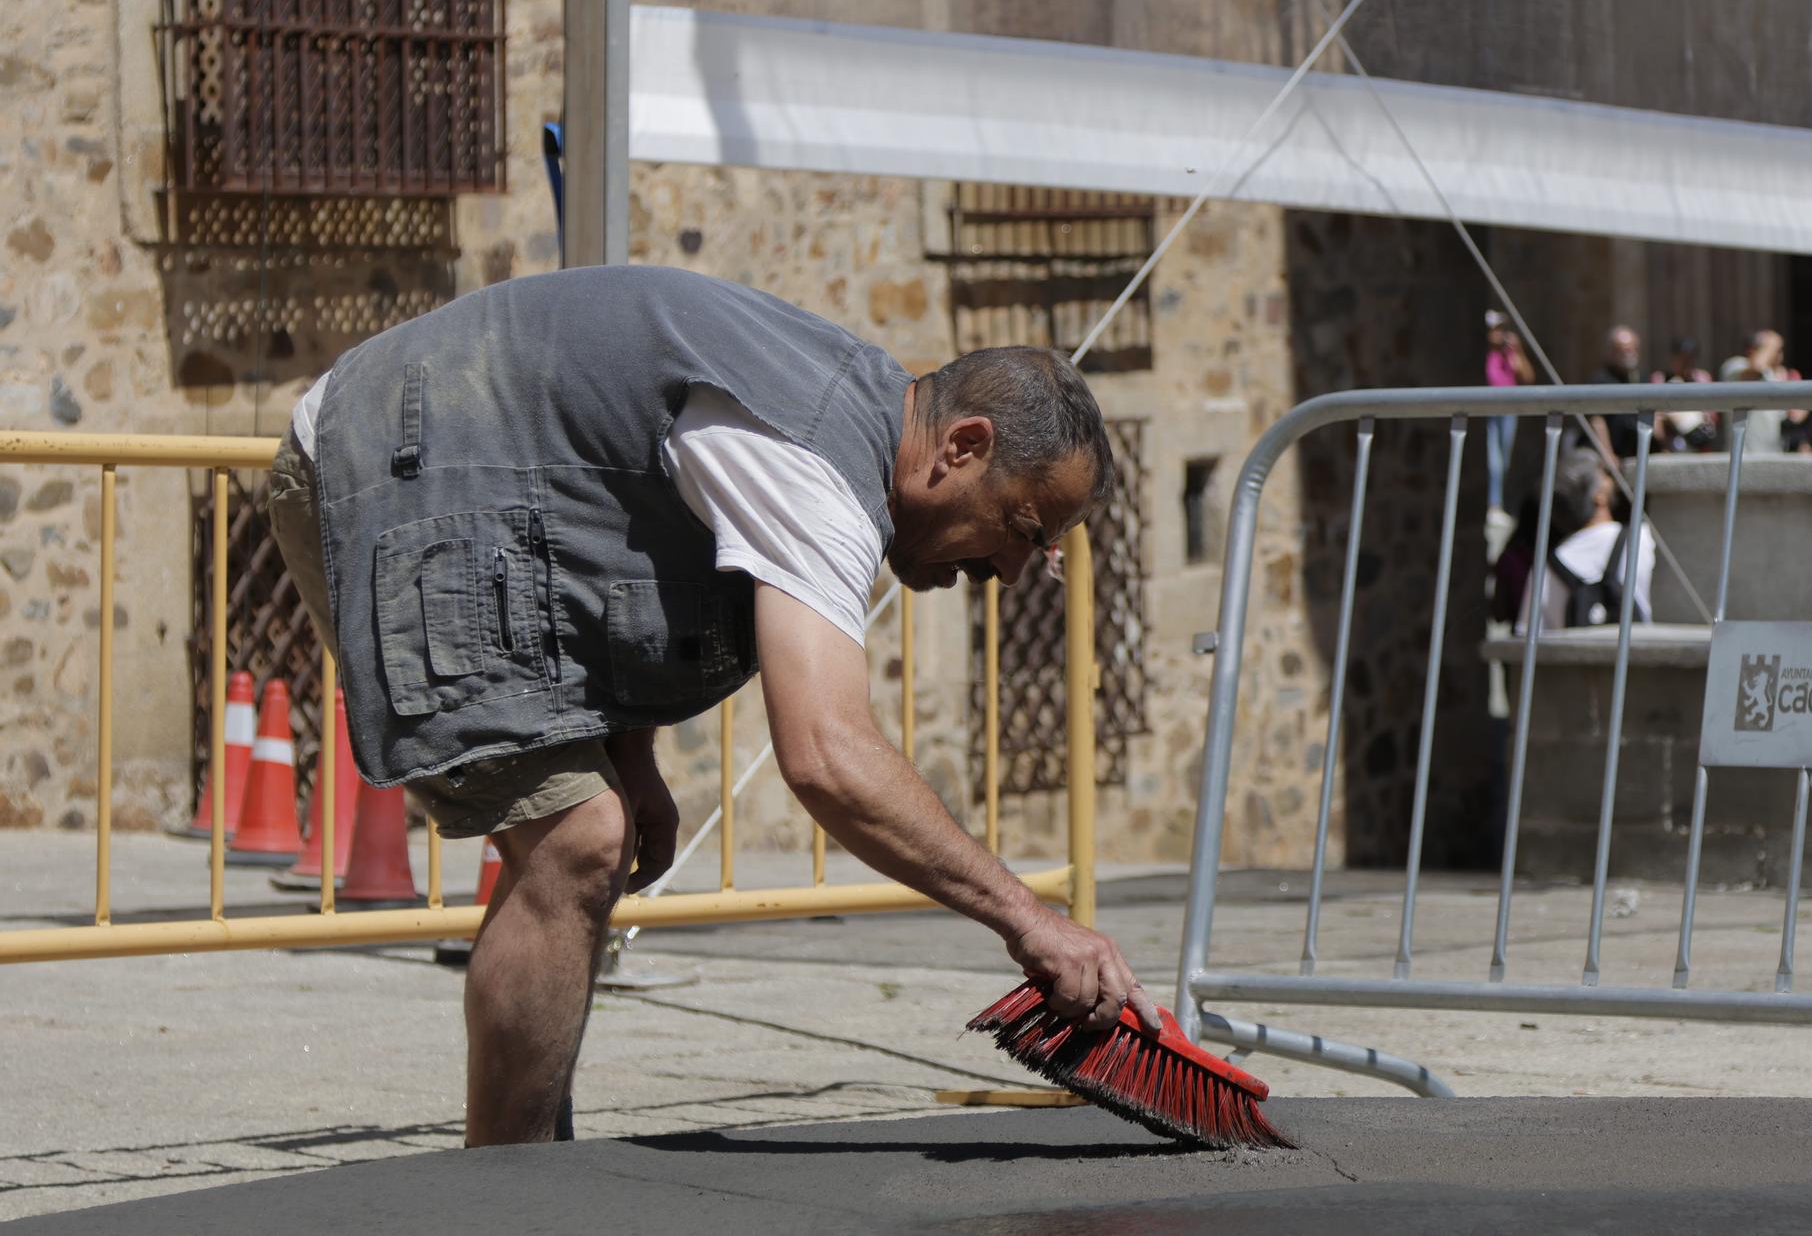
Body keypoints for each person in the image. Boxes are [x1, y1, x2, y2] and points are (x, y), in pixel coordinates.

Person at [267, 265, 1161, 1147]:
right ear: (961, 446)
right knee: (577, 843)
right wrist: (1029, 918)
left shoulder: (845, 414)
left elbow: (626, 527)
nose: (1009, 573)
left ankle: (529, 1173)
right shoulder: (814, 461)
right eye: (1023, 529)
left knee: (587, 840)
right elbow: (826, 754)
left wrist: (635, 753)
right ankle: (507, 1199)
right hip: (402, 468)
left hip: (475, 474)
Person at [1519, 450, 1656, 634]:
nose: (1611, 480)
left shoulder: (1548, 566)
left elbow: (1528, 635)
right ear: (1599, 496)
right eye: (1605, 475)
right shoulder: (1641, 539)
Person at [1482, 310, 1535, 508]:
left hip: (1507, 409)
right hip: (1487, 408)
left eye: (1500, 329)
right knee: (1492, 460)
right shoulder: (1487, 353)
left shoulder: (1509, 353)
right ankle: (1493, 503)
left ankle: (1498, 500)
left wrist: (1518, 351)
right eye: (1494, 329)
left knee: (1503, 459)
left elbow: (1528, 378)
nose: (1498, 334)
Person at [1651, 337, 1716, 453]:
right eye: (1682, 358)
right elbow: (1655, 418)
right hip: (1671, 442)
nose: (1687, 363)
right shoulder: (1660, 378)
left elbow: (1711, 415)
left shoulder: (1702, 378)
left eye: (1690, 358)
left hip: (1698, 441)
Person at [1588, 325, 1644, 459]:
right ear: (1612, 352)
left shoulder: (1640, 378)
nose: (1629, 354)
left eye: (1632, 349)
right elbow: (1597, 420)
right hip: (1606, 453)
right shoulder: (1601, 379)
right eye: (1623, 350)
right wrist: (1609, 456)